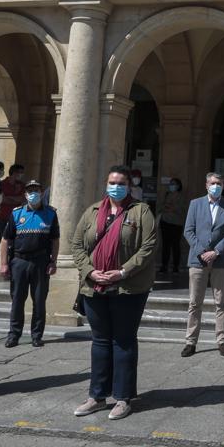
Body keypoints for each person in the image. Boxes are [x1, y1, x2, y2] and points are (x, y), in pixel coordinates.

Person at [71, 165, 157, 421]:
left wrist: (122, 272)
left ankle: (123, 397)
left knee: (124, 341)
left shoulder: (141, 211)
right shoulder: (92, 211)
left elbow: (149, 247)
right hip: (94, 286)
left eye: (121, 183)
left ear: (129, 186)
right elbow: (76, 245)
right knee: (99, 342)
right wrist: (89, 271)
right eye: (112, 182)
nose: (115, 187)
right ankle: (96, 396)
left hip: (127, 287)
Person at [181, 171, 224, 358]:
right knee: (194, 302)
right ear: (206, 185)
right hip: (197, 260)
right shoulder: (195, 204)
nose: (216, 186)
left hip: (220, 260)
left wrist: (216, 251)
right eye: (213, 183)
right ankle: (191, 342)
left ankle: (222, 341)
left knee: (221, 303)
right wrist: (202, 252)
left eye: (220, 183)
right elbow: (189, 230)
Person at [0, 179, 59, 348]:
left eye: (36, 190)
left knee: (39, 300)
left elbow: (55, 240)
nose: (33, 194)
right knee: (17, 300)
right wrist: (3, 263)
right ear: (25, 194)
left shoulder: (50, 213)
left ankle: (37, 335)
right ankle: (14, 335)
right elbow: (5, 240)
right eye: (30, 191)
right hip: (19, 261)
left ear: (41, 193)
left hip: (41, 261)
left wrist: (53, 261)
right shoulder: (17, 213)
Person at [158, 176, 185, 280]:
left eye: (174, 184)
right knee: (165, 245)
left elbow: (180, 208)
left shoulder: (181, 196)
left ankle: (175, 267)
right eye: (171, 184)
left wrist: (170, 207)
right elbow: (161, 206)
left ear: (178, 186)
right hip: (165, 222)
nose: (172, 186)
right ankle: (164, 266)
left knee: (175, 245)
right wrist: (168, 207)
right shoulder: (166, 194)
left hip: (176, 223)